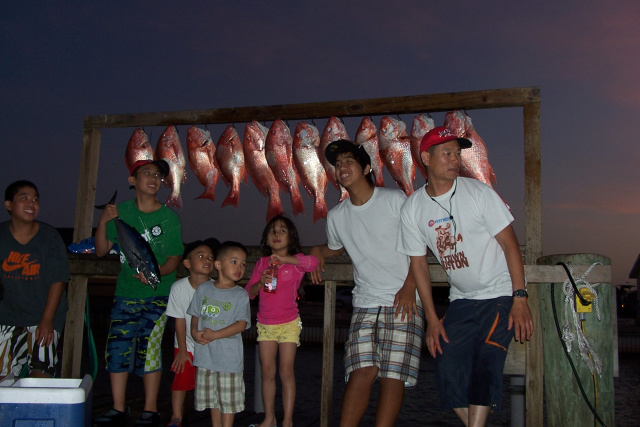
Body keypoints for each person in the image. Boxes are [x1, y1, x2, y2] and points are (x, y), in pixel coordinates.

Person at [396, 126, 534, 426]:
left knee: (487, 360)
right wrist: (432, 320)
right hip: (461, 300)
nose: (455, 159)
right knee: (445, 364)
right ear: (426, 157)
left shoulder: (480, 193)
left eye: (457, 153)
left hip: (498, 295)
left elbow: (511, 245)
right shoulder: (412, 209)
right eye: (447, 153)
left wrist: (520, 297)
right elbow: (418, 265)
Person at [309, 140, 423, 427]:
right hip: (364, 302)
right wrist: (315, 251)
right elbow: (334, 248)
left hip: (403, 299)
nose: (342, 167)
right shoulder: (336, 216)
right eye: (338, 165)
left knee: (391, 375)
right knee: (361, 371)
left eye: (349, 161)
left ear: (367, 168)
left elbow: (418, 245)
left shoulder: (395, 199)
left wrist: (410, 286)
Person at [93, 159, 183, 427]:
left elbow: (173, 260)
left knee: (150, 350)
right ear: (132, 181)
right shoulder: (119, 212)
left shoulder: (169, 218)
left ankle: (150, 409)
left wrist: (154, 276)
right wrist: (102, 221)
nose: (153, 178)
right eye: (146, 173)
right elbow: (100, 250)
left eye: (157, 175)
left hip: (158, 296)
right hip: (125, 294)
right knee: (117, 348)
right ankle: (118, 408)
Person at [245, 215, 318, 427]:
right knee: (267, 371)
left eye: (282, 230)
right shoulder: (261, 263)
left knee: (286, 370)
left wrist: (287, 260)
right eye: (272, 231)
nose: (276, 234)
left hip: (289, 323)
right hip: (265, 324)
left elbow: (312, 263)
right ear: (266, 240)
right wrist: (260, 282)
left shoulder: (296, 262)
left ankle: (287, 420)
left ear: (291, 238)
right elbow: (248, 292)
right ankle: (269, 418)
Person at [0, 180, 69, 380]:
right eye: (24, 198)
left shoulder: (50, 238)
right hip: (6, 317)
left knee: (41, 374)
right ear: (8, 205)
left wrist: (46, 321)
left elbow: (58, 281)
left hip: (43, 316)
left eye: (35, 199)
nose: (32, 203)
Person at [188, 241, 251, 427]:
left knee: (228, 402)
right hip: (206, 356)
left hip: (228, 359)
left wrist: (215, 335)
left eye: (243, 263)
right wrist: (194, 332)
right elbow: (195, 314)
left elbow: (242, 324)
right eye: (234, 262)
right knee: (212, 400)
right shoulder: (203, 289)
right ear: (218, 265)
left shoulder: (240, 294)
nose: (239, 267)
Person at [165, 238, 220, 427]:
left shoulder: (217, 288)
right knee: (181, 379)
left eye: (211, 257)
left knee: (214, 386)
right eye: (201, 256)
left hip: (211, 346)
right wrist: (181, 350)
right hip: (185, 344)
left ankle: (217, 421)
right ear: (187, 263)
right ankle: (176, 416)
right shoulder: (178, 288)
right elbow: (179, 320)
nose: (207, 260)